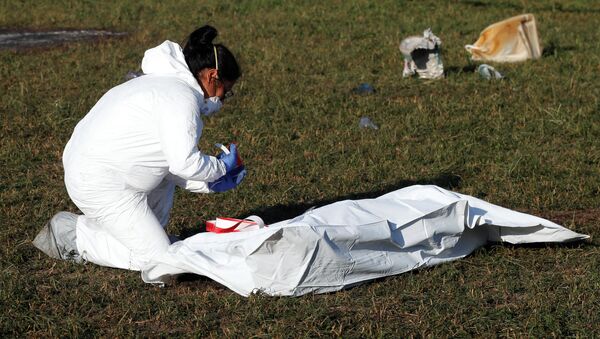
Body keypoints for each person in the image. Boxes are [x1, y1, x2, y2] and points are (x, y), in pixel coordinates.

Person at [33, 25, 245, 272]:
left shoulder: (162, 85)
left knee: (158, 242)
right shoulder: (181, 98)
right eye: (224, 92)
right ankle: (72, 234)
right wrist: (220, 168)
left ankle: (149, 240)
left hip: (106, 172)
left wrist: (207, 183)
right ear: (212, 75)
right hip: (100, 184)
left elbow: (167, 164)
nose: (221, 100)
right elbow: (184, 163)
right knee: (161, 264)